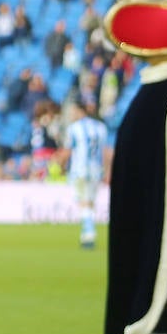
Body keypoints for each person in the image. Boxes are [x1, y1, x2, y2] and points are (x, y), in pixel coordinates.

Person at [63, 100, 111, 248]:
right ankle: (87, 231)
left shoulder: (74, 128)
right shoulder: (101, 127)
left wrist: (60, 163)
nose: (71, 114)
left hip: (80, 170)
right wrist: (107, 170)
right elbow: (106, 151)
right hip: (96, 170)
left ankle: (89, 232)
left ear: (80, 111)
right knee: (90, 201)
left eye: (73, 111)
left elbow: (68, 150)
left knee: (83, 201)